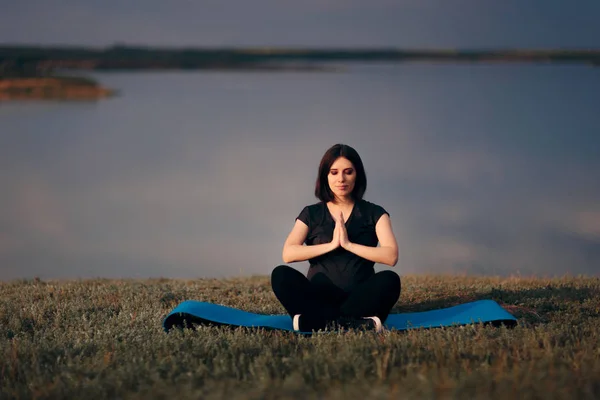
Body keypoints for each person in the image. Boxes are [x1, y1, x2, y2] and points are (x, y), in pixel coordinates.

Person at [271, 144, 401, 332]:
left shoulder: (375, 213)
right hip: (317, 298)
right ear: (325, 176)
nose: (341, 179)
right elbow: (288, 253)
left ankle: (320, 323)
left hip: (359, 299)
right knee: (281, 275)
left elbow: (391, 256)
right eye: (334, 172)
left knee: (390, 280)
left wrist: (348, 245)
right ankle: (351, 324)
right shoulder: (311, 213)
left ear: (358, 175)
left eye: (348, 172)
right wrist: (331, 245)